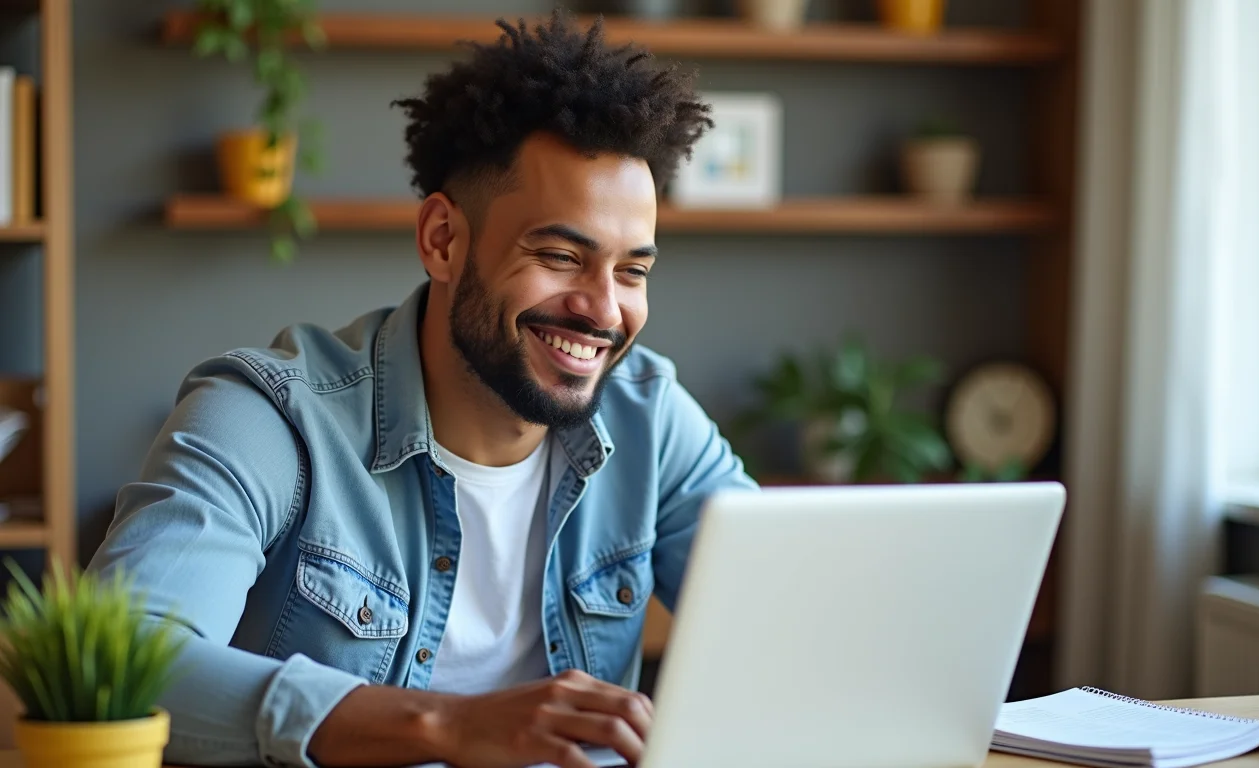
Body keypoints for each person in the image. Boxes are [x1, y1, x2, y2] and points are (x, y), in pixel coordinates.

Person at [87, 10, 758, 768]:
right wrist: (446, 728)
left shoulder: (650, 417)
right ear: (443, 240)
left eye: (633, 271)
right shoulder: (268, 417)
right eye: (561, 255)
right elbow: (123, 663)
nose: (604, 310)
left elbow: (796, 614)